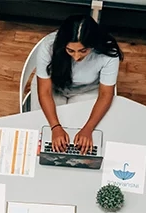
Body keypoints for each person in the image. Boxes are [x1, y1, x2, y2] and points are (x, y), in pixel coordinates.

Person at [33, 14, 123, 155]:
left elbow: (106, 94)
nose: (76, 57)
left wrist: (88, 128)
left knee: (84, 136)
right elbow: (44, 91)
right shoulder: (49, 45)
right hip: (54, 87)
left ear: (93, 44)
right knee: (43, 131)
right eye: (70, 50)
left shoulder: (108, 53)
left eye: (83, 50)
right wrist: (55, 126)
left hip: (87, 90)